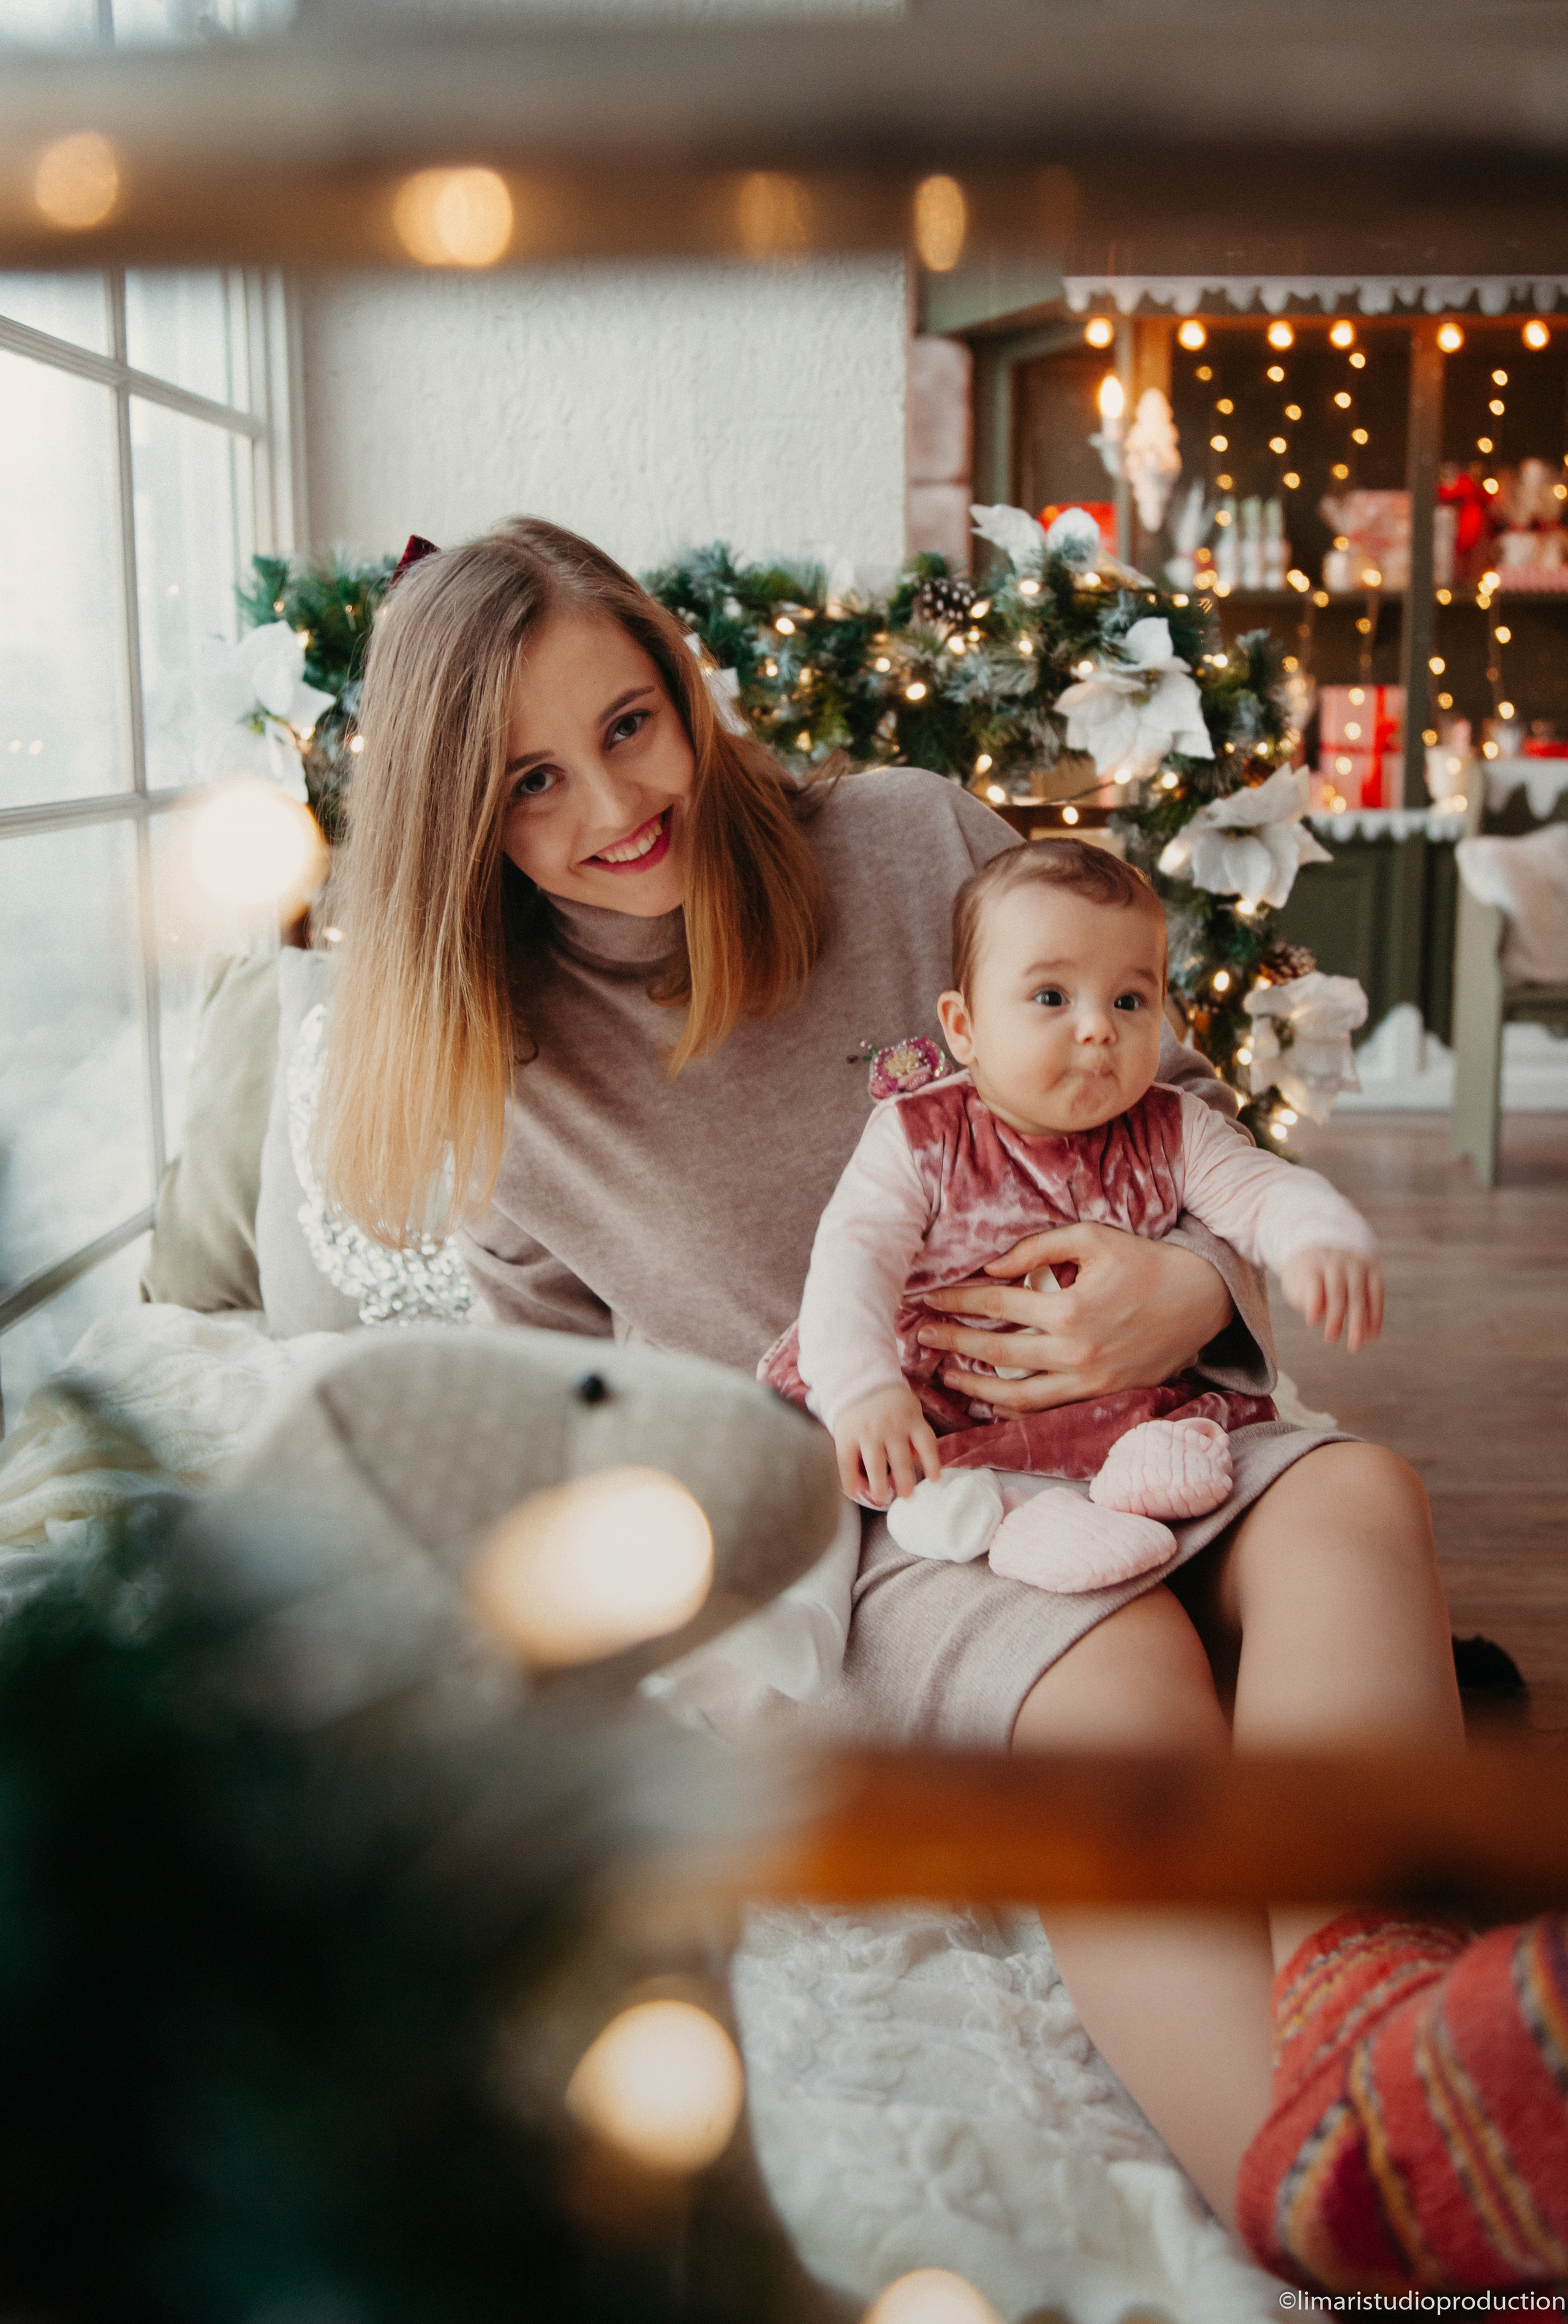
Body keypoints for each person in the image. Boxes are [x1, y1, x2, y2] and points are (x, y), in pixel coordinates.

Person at [319, 517, 1464, 2249]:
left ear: (680, 686)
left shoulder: (908, 835)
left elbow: (1167, 1093)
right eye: (530, 781)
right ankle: (1359, 2229)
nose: (615, 805)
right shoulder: (508, 1077)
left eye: (630, 724)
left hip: (1160, 1412)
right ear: (458, 818)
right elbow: (567, 1416)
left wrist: (1195, 1286)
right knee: (1116, 1667)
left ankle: (1405, 2065)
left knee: (1356, 1500)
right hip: (910, 1516)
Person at [765, 836, 1382, 1599]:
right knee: (903, 1470)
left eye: (1129, 1001)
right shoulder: (921, 1137)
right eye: (1052, 997)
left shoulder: (1174, 1128)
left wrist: (1317, 1233)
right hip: (947, 1410)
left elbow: (1258, 1191)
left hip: (1111, 1406)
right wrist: (863, 1389)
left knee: (1195, 1441)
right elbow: (851, 1264)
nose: (1099, 1028)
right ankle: (1001, 1517)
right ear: (963, 1026)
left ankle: (1133, 1484)